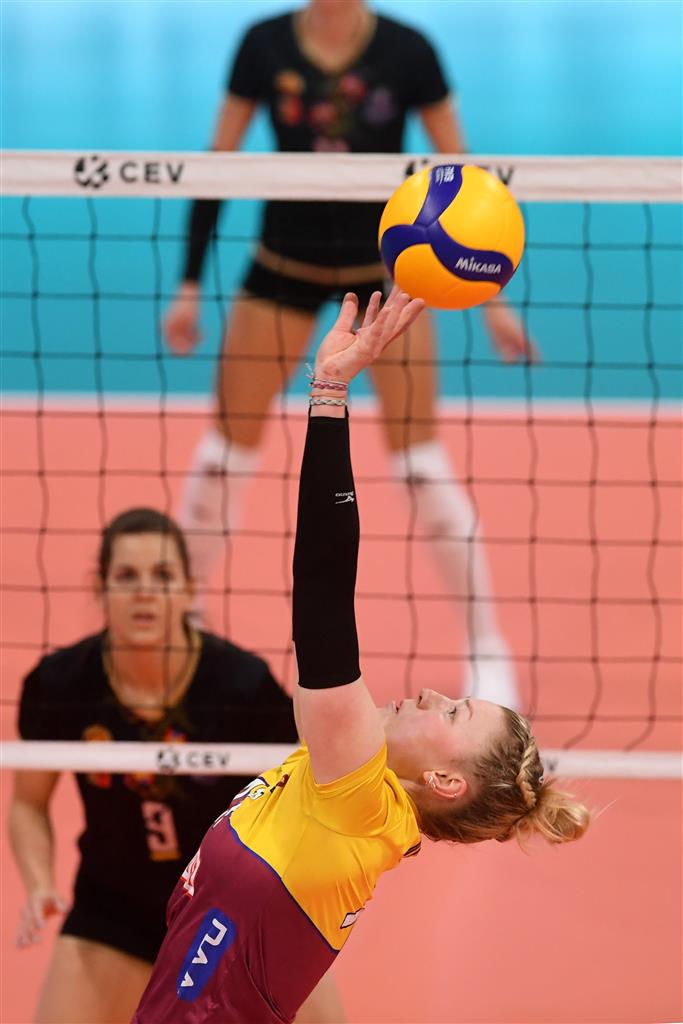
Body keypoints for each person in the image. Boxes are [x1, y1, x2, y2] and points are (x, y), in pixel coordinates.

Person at [133, 290, 588, 1024]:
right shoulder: (341, 792)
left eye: (454, 713)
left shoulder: (357, 793)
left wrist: (329, 395)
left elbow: (321, 592)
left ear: (443, 781)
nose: (433, 693)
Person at [164, 0, 536, 711]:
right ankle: (185, 628)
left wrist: (492, 301)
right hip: (282, 267)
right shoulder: (262, 43)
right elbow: (215, 166)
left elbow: (465, 182)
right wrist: (188, 285)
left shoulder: (409, 49)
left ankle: (487, 648)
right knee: (223, 457)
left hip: (388, 282)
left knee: (421, 465)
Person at [8, 507, 345, 1024]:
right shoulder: (60, 685)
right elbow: (28, 803)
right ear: (101, 588)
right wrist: (38, 884)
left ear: (189, 590)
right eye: (127, 576)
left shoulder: (242, 686)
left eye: (163, 576)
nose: (145, 592)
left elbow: (304, 796)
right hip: (113, 914)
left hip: (235, 907)